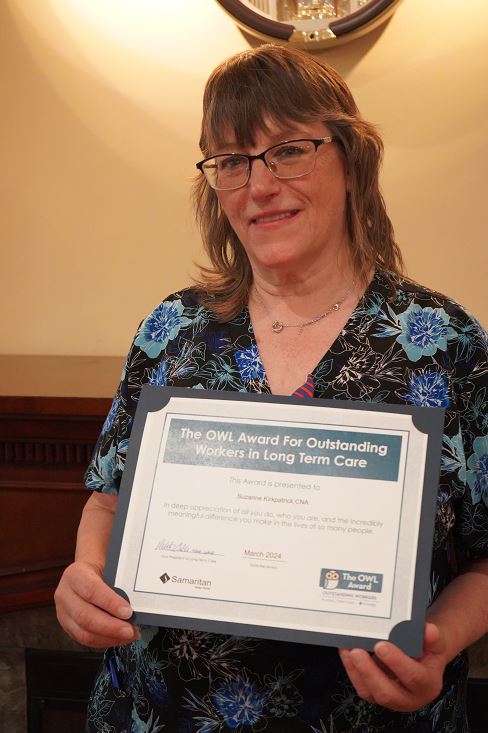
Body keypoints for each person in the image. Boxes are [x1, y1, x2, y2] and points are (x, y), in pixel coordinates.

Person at [54, 44, 488, 732]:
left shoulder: (445, 344)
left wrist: (438, 643)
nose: (259, 185)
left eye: (288, 150)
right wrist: (84, 576)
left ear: (352, 160)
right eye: (231, 161)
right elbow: (109, 502)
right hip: (163, 715)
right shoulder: (172, 329)